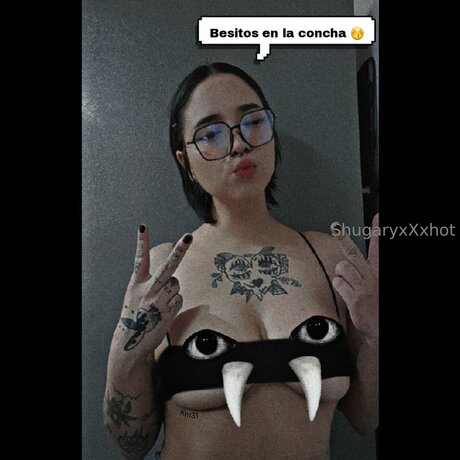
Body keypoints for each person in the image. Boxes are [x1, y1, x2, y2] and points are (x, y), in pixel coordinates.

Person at [103, 62, 379, 460]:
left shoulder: (329, 257)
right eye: (210, 134)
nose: (238, 144)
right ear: (185, 162)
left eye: (253, 122)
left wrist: (375, 336)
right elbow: (132, 443)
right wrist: (126, 352)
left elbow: (365, 419)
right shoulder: (164, 270)